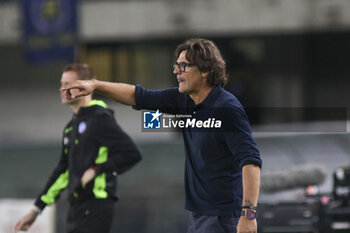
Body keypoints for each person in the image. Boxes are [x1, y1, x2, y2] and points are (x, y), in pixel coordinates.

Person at [63, 39, 262, 233]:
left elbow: (251, 162)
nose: (176, 71)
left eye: (184, 66)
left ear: (205, 70)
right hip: (198, 215)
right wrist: (96, 85)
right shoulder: (184, 99)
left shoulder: (227, 109)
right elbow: (137, 95)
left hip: (224, 217)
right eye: (177, 65)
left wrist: (248, 216)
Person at [14, 63, 142, 233]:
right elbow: (63, 171)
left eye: (68, 84)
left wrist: (96, 170)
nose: (62, 89)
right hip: (77, 208)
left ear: (85, 85)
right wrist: (36, 210)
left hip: (97, 205)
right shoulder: (70, 128)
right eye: (61, 84)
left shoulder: (99, 117)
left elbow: (131, 153)